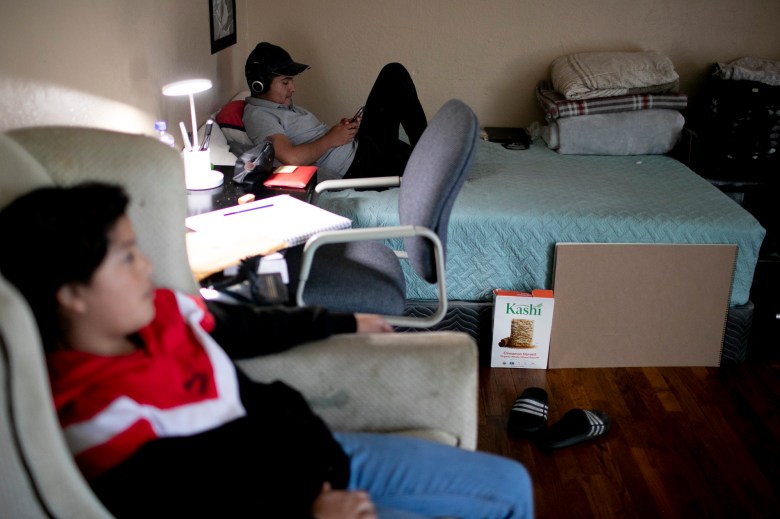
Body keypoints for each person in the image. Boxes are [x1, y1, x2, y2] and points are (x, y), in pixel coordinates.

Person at [0, 182, 534, 519]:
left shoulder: (163, 310)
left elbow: (244, 325)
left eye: (139, 250)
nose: (146, 267)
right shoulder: (97, 415)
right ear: (69, 294)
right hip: (295, 501)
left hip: (322, 454)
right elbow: (190, 503)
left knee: (512, 482)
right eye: (125, 258)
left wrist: (342, 320)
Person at [243, 42, 428, 182]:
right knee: (416, 161)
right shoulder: (258, 115)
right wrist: (331, 139)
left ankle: (427, 152)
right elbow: (291, 158)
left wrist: (343, 130)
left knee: (394, 73)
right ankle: (429, 158)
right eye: (285, 82)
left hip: (361, 145)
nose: (293, 88)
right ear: (259, 85)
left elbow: (316, 138)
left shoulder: (283, 106)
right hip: (359, 166)